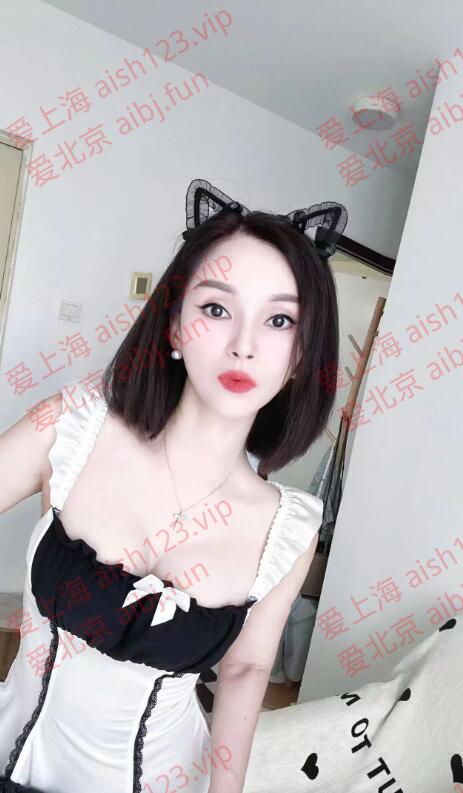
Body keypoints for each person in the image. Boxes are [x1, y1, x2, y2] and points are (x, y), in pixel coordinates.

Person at [0, 180, 346, 793]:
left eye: (280, 320)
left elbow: (245, 669)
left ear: (300, 356)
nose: (244, 345)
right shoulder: (75, 426)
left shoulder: (286, 527)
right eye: (216, 309)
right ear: (175, 327)